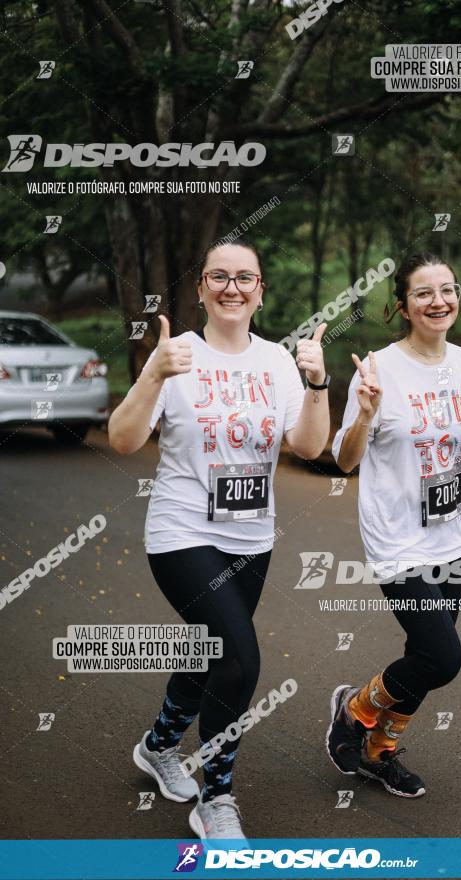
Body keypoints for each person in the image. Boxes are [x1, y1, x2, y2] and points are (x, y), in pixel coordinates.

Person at [108, 240, 330, 838]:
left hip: (252, 537)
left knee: (210, 651)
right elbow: (123, 440)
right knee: (240, 656)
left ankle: (158, 747)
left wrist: (318, 384)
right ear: (202, 288)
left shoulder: (279, 363)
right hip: (181, 531)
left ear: (261, 291)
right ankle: (217, 797)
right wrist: (152, 371)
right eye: (219, 277)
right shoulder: (176, 356)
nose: (233, 288)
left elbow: (310, 447)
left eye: (245, 278)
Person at [326, 252, 461, 798]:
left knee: (422, 657)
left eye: (447, 289)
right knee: (441, 657)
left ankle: (379, 753)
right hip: (395, 540)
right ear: (402, 306)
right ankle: (353, 710)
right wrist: (365, 414)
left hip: (448, 535)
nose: (438, 301)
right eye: (423, 293)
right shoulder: (378, 368)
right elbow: (345, 460)